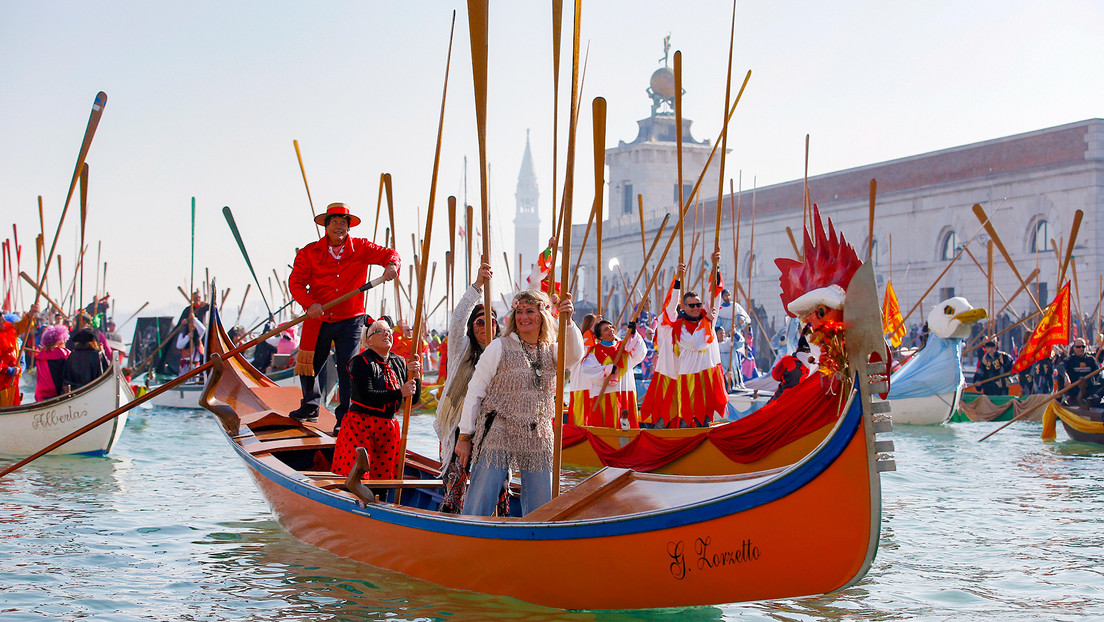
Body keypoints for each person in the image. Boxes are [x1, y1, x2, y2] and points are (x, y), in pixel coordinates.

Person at [456, 289, 583, 517]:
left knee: (542, 503)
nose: (523, 317)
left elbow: (574, 357)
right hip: (498, 429)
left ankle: (536, 544)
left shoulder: (552, 351)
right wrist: (465, 436)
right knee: (482, 496)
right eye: (519, 311)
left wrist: (569, 321)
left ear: (541, 316)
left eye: (530, 311)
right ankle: (470, 540)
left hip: (538, 433)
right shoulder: (499, 346)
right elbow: (475, 392)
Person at [288, 202, 400, 433]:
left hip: (351, 319)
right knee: (309, 365)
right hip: (318, 316)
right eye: (335, 222)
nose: (339, 226)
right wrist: (310, 304)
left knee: (348, 369)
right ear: (326, 227)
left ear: (348, 228)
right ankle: (310, 406)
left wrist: (392, 265)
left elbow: (390, 254)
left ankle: (345, 418)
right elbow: (296, 283)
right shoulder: (309, 252)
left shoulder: (361, 247)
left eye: (343, 223)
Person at [432, 262, 500, 513]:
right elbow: (458, 317)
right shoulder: (460, 350)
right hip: (456, 429)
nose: (485, 326)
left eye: (490, 321)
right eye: (479, 322)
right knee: (455, 485)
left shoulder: (503, 352)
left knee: (497, 489)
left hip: (493, 432)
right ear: (472, 328)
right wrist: (478, 285)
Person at [330, 318, 421, 487]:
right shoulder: (360, 362)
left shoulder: (399, 362)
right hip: (361, 424)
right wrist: (400, 392)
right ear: (369, 340)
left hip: (388, 426)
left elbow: (412, 400)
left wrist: (416, 375)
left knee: (384, 477)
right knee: (358, 475)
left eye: (389, 331)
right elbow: (366, 395)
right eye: (380, 331)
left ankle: (381, 504)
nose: (387, 334)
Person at [640, 256, 728, 428]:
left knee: (704, 419)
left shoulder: (707, 319)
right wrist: (678, 280)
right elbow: (696, 342)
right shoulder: (676, 327)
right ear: (683, 308)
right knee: (677, 418)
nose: (696, 308)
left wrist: (716, 269)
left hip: (704, 375)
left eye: (698, 305)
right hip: (678, 375)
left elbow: (714, 298)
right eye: (691, 306)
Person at [575, 318, 647, 428]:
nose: (610, 330)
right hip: (604, 394)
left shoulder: (625, 346)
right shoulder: (595, 351)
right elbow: (588, 370)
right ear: (600, 336)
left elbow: (640, 353)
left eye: (610, 327)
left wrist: (634, 334)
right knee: (606, 425)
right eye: (606, 329)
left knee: (627, 425)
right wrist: (608, 369)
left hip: (624, 391)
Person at [0, 308, 38, 407]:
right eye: (1, 319)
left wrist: (30, 315)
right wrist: (9, 370)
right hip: (2, 383)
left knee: (12, 406)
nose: (4, 321)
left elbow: (22, 325)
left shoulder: (9, 329)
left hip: (11, 382)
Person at [717, 288, 751, 388]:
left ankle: (738, 382)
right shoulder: (720, 309)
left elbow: (743, 317)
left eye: (729, 295)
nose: (727, 297)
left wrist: (741, 319)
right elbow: (717, 323)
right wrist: (721, 332)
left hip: (733, 338)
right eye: (725, 295)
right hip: (723, 338)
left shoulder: (735, 306)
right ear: (722, 297)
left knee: (736, 361)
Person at [62, 328, 110, 393]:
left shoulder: (73, 355)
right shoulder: (98, 354)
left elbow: (66, 378)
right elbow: (107, 372)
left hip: (76, 392)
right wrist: (103, 353)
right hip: (94, 390)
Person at [769, 334, 813, 402]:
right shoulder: (816, 366)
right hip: (801, 404)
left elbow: (775, 376)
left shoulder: (788, 360)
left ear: (798, 347)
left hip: (781, 400)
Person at [1058, 338, 1101, 406]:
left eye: (1083, 346)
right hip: (1074, 390)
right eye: (1078, 347)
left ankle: (1090, 399)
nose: (1081, 349)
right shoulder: (1070, 360)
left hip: (1088, 389)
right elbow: (1060, 367)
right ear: (1074, 348)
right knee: (1061, 374)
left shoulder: (1091, 360)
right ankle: (1064, 397)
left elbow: (1098, 374)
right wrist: (1065, 376)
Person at [35, 324, 70, 401]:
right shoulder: (63, 353)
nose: (65, 341)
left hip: (41, 394)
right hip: (56, 394)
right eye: (63, 338)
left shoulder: (41, 353)